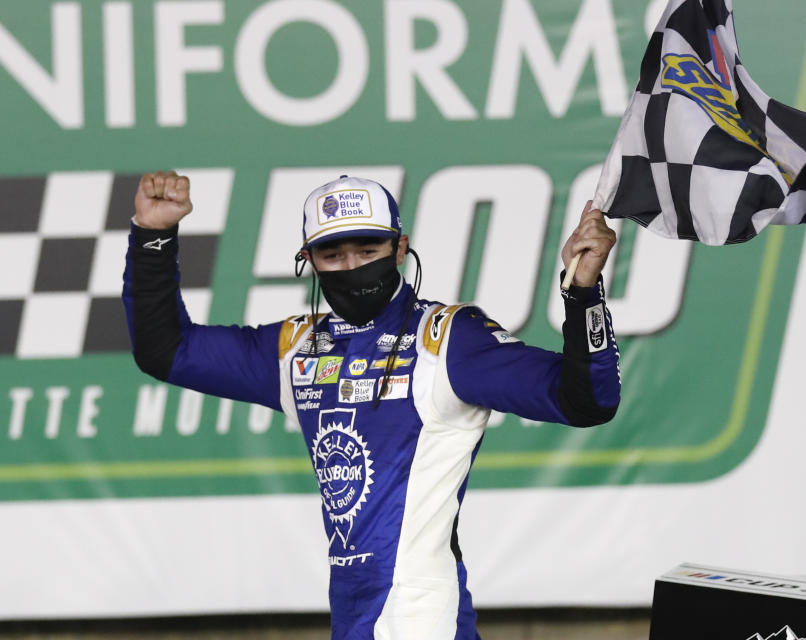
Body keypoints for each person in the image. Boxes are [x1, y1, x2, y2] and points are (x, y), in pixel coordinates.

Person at [123, 170, 621, 639]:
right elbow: (167, 351)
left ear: (400, 248)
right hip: (354, 612)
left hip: (420, 615)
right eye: (333, 255)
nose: (352, 267)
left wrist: (583, 292)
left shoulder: (449, 339)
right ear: (308, 260)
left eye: (368, 250)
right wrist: (152, 238)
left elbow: (586, 401)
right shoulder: (297, 349)